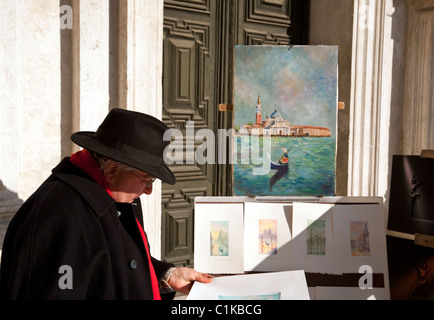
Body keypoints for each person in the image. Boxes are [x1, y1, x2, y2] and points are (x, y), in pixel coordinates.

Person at [0, 108, 212, 300]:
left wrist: (167, 276)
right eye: (147, 180)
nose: (148, 191)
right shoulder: (63, 213)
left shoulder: (110, 195)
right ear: (112, 171)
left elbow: (114, 265)